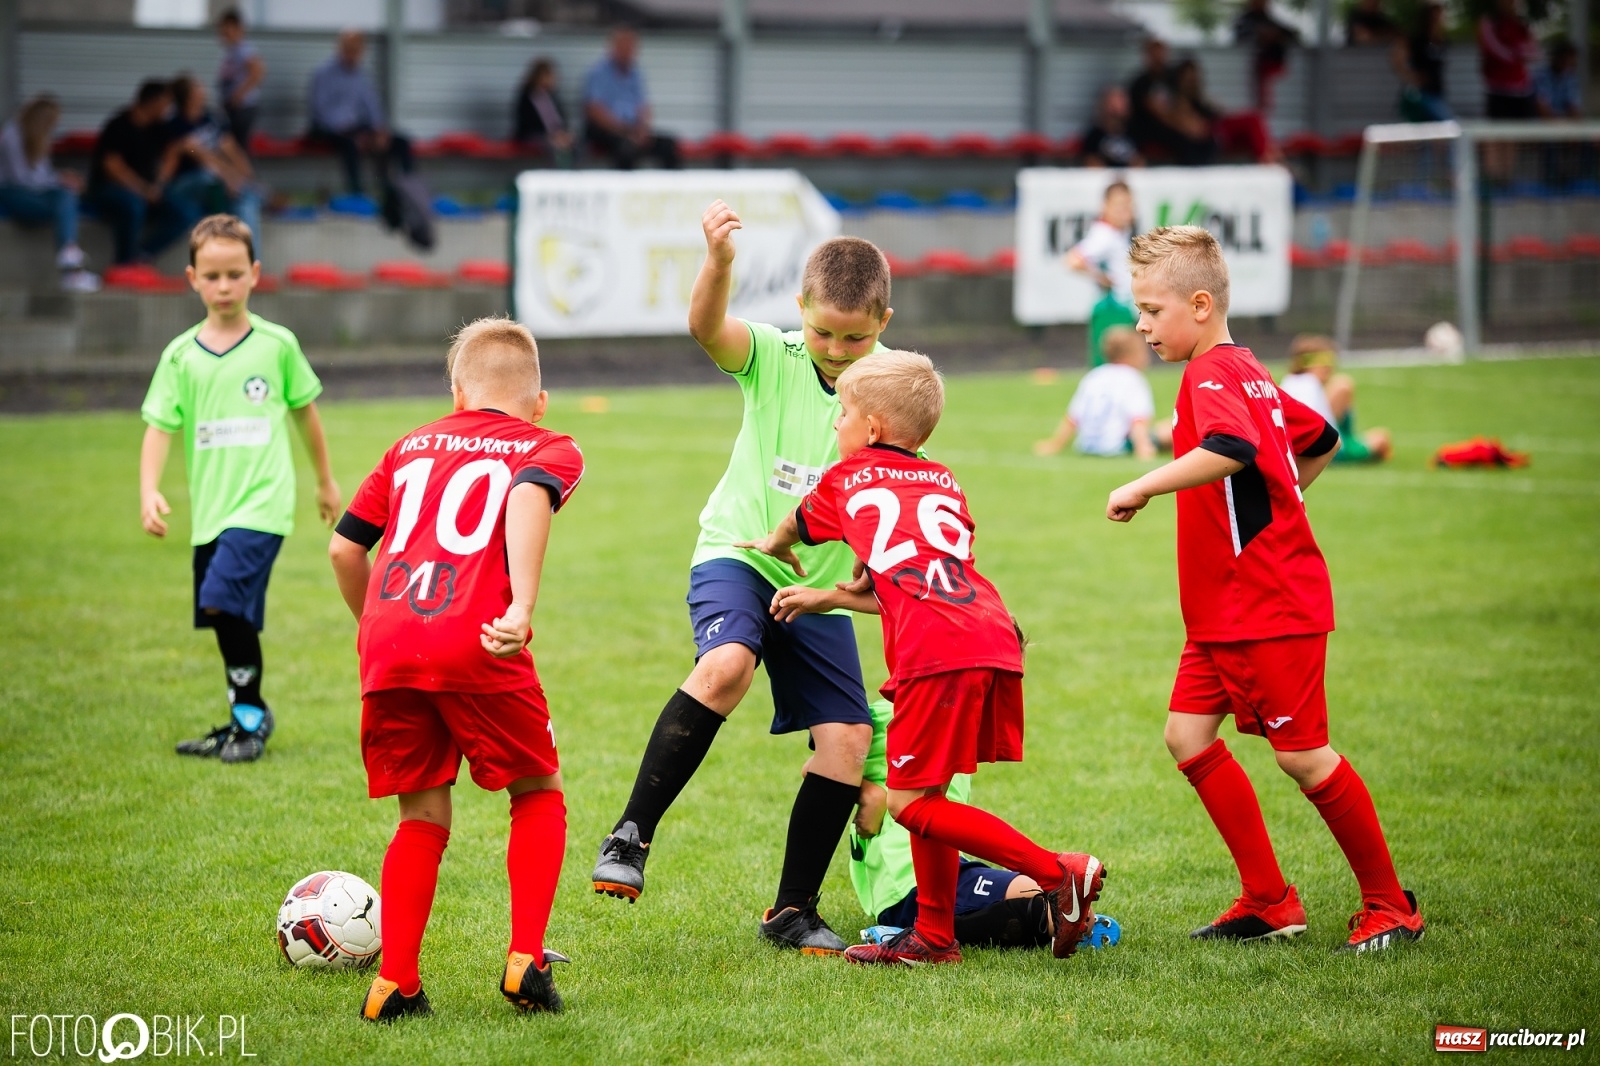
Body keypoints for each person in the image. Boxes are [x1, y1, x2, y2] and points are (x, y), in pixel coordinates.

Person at [1105, 225, 1424, 953]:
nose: (1141, 325)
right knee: (1187, 737)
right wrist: (1282, 505)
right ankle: (1269, 900)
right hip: (1224, 609)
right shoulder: (1248, 369)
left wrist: (1142, 485)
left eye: (1152, 310)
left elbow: (1231, 450)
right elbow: (1319, 439)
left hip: (1266, 606)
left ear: (1200, 302)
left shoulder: (1211, 374)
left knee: (1304, 756)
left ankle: (1391, 906)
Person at [588, 203, 891, 955]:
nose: (836, 349)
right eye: (824, 330)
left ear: (885, 319)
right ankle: (631, 835)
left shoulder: (894, 390)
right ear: (800, 311)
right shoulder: (773, 354)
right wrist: (718, 264)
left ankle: (792, 911)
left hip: (817, 589)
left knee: (849, 740)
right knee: (725, 666)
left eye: (856, 336)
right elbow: (705, 329)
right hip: (739, 553)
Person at [738, 351, 1107, 966]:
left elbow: (797, 525)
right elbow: (917, 581)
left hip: (934, 655)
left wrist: (773, 542)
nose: (837, 426)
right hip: (988, 634)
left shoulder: (844, 478)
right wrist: (833, 595)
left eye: (844, 414)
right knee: (930, 794)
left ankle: (1057, 872)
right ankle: (935, 936)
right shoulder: (944, 481)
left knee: (908, 804)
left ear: (873, 429)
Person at [329, 317, 586, 1022]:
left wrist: (378, 627)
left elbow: (344, 551)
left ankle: (395, 984)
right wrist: (522, 605)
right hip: (478, 636)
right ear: (539, 401)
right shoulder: (548, 444)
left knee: (422, 814)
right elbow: (529, 493)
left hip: (389, 643)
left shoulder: (410, 444)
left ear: (457, 393)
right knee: (538, 789)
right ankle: (525, 958)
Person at [140, 215, 340, 764]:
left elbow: (306, 416)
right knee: (228, 616)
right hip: (211, 510)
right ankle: (240, 718)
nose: (224, 287)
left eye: (234, 274)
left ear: (254, 274)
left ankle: (251, 718)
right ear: (192, 279)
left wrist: (324, 482)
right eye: (212, 276)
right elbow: (160, 425)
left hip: (263, 505)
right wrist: (148, 489)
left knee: (222, 601)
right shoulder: (181, 355)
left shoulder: (276, 346)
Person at [840, 694, 1122, 952]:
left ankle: (1058, 907)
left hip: (947, 864)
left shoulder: (958, 716)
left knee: (1032, 891)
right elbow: (825, 769)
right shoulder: (889, 712)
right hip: (903, 875)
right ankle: (1054, 898)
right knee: (1033, 902)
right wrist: (869, 793)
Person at [86, 79, 201, 264]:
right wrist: (142, 189)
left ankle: (143, 255)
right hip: (111, 189)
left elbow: (180, 149)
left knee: (186, 212)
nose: (168, 110)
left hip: (148, 191)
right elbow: (112, 166)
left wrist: (160, 183)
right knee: (133, 205)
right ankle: (124, 263)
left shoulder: (160, 128)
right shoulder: (119, 125)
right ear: (153, 103)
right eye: (165, 104)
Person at [0, 95, 100, 292]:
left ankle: (69, 257)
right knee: (63, 201)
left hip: (34, 193)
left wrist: (62, 178)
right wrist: (57, 180)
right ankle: (72, 268)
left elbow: (42, 175)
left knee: (66, 195)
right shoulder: (12, 136)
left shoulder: (39, 139)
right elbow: (22, 179)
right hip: (11, 193)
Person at [307, 30, 415, 196]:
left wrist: (379, 130)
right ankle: (356, 194)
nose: (353, 55)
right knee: (350, 144)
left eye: (357, 51)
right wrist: (353, 133)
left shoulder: (361, 76)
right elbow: (321, 111)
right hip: (328, 130)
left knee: (400, 142)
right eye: (349, 50)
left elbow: (372, 107)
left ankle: (410, 191)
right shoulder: (323, 74)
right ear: (340, 49)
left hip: (356, 128)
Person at [166, 75, 263, 242]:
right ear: (188, 96)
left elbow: (230, 147)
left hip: (219, 179)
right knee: (212, 181)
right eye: (198, 89)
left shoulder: (211, 119)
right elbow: (201, 156)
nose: (204, 92)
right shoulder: (176, 125)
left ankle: (250, 262)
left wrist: (245, 176)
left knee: (246, 204)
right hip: (189, 182)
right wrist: (229, 178)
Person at [1034, 327, 1156, 459]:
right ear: (1131, 355)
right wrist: (1143, 448)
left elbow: (1073, 418)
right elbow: (1138, 419)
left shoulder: (1094, 376)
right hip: (1117, 445)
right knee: (1167, 430)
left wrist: (1055, 445)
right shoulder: (1134, 379)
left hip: (1086, 445)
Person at [1279, 335, 1392, 464]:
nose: (1329, 367)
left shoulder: (1288, 381)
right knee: (1381, 438)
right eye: (1324, 360)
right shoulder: (1310, 383)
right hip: (1328, 448)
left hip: (1300, 446)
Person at [582, 28, 681, 170]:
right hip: (607, 130)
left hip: (632, 129)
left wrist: (643, 128)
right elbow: (594, 111)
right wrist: (624, 130)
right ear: (614, 48)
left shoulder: (636, 74)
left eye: (632, 48)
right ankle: (624, 189)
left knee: (668, 144)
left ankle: (671, 188)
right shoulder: (598, 73)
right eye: (626, 47)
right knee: (626, 148)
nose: (630, 52)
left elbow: (643, 106)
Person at [1065, 180, 1139, 368]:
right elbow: (1074, 260)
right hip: (1111, 309)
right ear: (1105, 206)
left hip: (1119, 308)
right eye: (1119, 205)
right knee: (1114, 368)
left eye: (1128, 204)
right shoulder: (1103, 235)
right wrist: (1102, 278)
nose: (1125, 211)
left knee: (1120, 369)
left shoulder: (1116, 233)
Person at [1233, 0, 1299, 112]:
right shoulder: (1244, 21)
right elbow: (1240, 36)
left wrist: (1276, 35)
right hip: (1254, 71)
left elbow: (1293, 34)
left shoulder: (1270, 21)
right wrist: (1259, 35)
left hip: (1275, 73)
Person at [216, 7, 265, 153]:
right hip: (234, 107)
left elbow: (258, 71)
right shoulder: (232, 50)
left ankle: (246, 175)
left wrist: (239, 94)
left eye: (227, 29)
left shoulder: (243, 49)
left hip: (243, 107)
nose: (224, 33)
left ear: (238, 28)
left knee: (240, 149)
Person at [1394, 2, 1452, 122]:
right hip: (1421, 95)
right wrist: (1411, 76)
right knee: (1447, 123)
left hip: (1437, 92)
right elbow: (1397, 57)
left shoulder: (1441, 41)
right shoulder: (1418, 40)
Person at [513, 58, 574, 165]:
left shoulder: (552, 96)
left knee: (575, 143)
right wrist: (551, 136)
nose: (554, 79)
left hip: (555, 136)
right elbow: (527, 124)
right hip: (534, 136)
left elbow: (561, 119)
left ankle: (573, 174)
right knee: (553, 146)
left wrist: (564, 134)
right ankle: (552, 176)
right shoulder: (527, 97)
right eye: (550, 76)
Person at [1079, 86, 1143, 169]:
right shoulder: (1094, 136)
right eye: (1117, 100)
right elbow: (1091, 162)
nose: (1124, 103)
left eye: (1124, 99)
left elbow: (1140, 161)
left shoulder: (1135, 133)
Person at [1535, 40, 1582, 118]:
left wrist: (1574, 125)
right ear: (1554, 57)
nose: (1566, 62)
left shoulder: (1570, 78)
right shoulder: (1541, 76)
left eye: (1570, 58)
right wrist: (1559, 125)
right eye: (1563, 58)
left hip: (1563, 124)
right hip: (1540, 125)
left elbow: (1574, 108)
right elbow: (1543, 109)